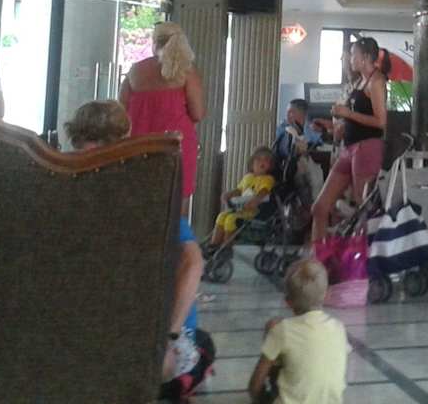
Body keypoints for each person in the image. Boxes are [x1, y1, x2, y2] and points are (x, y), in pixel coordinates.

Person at [62, 100, 213, 397]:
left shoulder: (67, 183)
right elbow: (192, 263)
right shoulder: (143, 189)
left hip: (101, 335)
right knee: (198, 348)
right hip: (134, 341)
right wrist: (169, 338)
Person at [307, 36, 388, 249]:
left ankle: (363, 258)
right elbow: (351, 119)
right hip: (349, 147)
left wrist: (348, 114)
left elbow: (381, 122)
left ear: (366, 57)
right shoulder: (358, 82)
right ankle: (319, 257)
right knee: (320, 208)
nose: (350, 59)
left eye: (353, 55)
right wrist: (332, 124)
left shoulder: (376, 81)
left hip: (367, 147)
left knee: (363, 208)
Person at [121, 22, 206, 203]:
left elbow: (120, 111)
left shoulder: (135, 71)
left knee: (137, 202)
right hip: (175, 146)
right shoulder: (186, 72)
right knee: (175, 203)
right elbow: (197, 113)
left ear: (154, 43)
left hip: (138, 146)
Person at [247, 259, 349, 404]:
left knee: (274, 330)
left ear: (288, 302)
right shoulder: (339, 327)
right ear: (326, 296)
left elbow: (254, 386)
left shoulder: (282, 330)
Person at [207, 146, 277, 249]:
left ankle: (226, 247)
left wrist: (256, 200)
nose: (262, 162)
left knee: (231, 220)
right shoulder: (248, 177)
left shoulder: (268, 179)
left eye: (266, 159)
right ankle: (213, 245)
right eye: (258, 159)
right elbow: (239, 190)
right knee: (221, 216)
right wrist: (229, 194)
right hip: (241, 208)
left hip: (254, 212)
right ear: (252, 163)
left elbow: (264, 191)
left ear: (270, 165)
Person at [276, 97, 325, 201]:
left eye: (291, 112)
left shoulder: (311, 128)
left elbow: (320, 144)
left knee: (316, 176)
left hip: (309, 163)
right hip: (287, 165)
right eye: (287, 112)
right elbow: (282, 149)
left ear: (303, 114)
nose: (288, 115)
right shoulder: (283, 128)